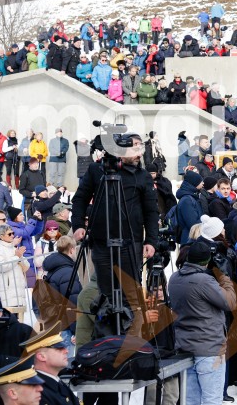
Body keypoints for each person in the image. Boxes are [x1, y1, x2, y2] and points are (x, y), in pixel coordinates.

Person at [70, 132, 159, 330]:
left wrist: (151, 240)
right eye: (134, 148)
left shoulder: (142, 176)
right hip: (101, 242)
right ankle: (109, 340)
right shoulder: (96, 170)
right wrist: (78, 225)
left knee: (130, 297)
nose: (139, 153)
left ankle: (132, 343)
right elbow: (80, 199)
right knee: (107, 294)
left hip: (131, 243)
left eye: (140, 148)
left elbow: (151, 212)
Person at [168, 240, 237, 405]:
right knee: (212, 399)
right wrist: (224, 277)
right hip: (209, 348)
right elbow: (230, 303)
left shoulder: (174, 278)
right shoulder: (204, 281)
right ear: (207, 261)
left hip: (185, 346)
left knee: (191, 400)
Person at [27, 330, 78, 405]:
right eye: (59, 348)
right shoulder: (38, 393)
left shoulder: (55, 382)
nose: (66, 351)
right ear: (41, 356)